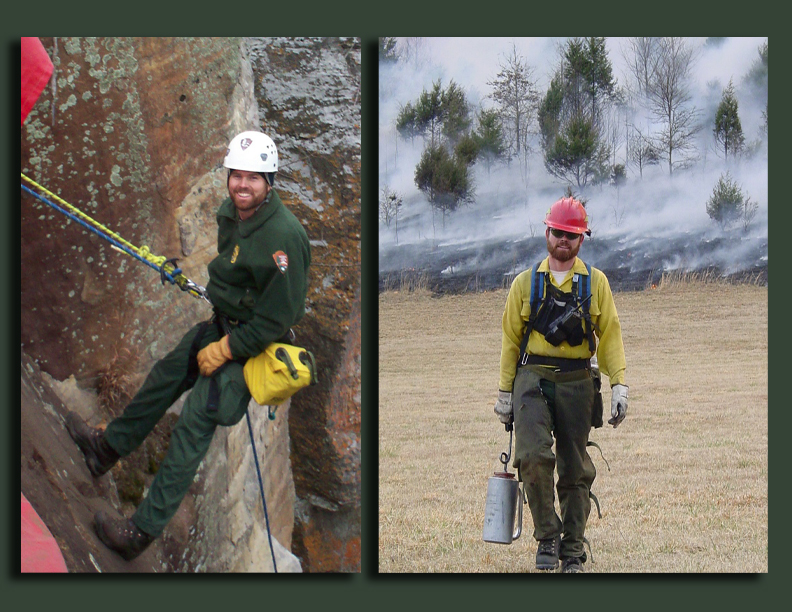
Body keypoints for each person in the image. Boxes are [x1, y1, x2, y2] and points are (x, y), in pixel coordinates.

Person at [65, 131, 311, 561]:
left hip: (250, 346)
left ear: (269, 182)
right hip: (222, 323)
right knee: (165, 375)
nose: (242, 185)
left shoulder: (284, 239)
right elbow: (232, 272)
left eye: (253, 178)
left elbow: (278, 318)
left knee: (194, 424)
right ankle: (104, 450)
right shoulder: (231, 213)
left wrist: (229, 349)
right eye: (237, 175)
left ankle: (139, 533)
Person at [494, 196, 627, 574]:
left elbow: (611, 335)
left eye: (571, 234)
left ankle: (572, 551)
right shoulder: (524, 284)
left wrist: (619, 385)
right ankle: (546, 537)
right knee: (533, 458)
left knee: (574, 469)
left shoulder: (596, 283)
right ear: (546, 233)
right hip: (532, 378)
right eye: (557, 232)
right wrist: (505, 393)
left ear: (581, 239)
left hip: (578, 380)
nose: (563, 240)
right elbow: (509, 340)